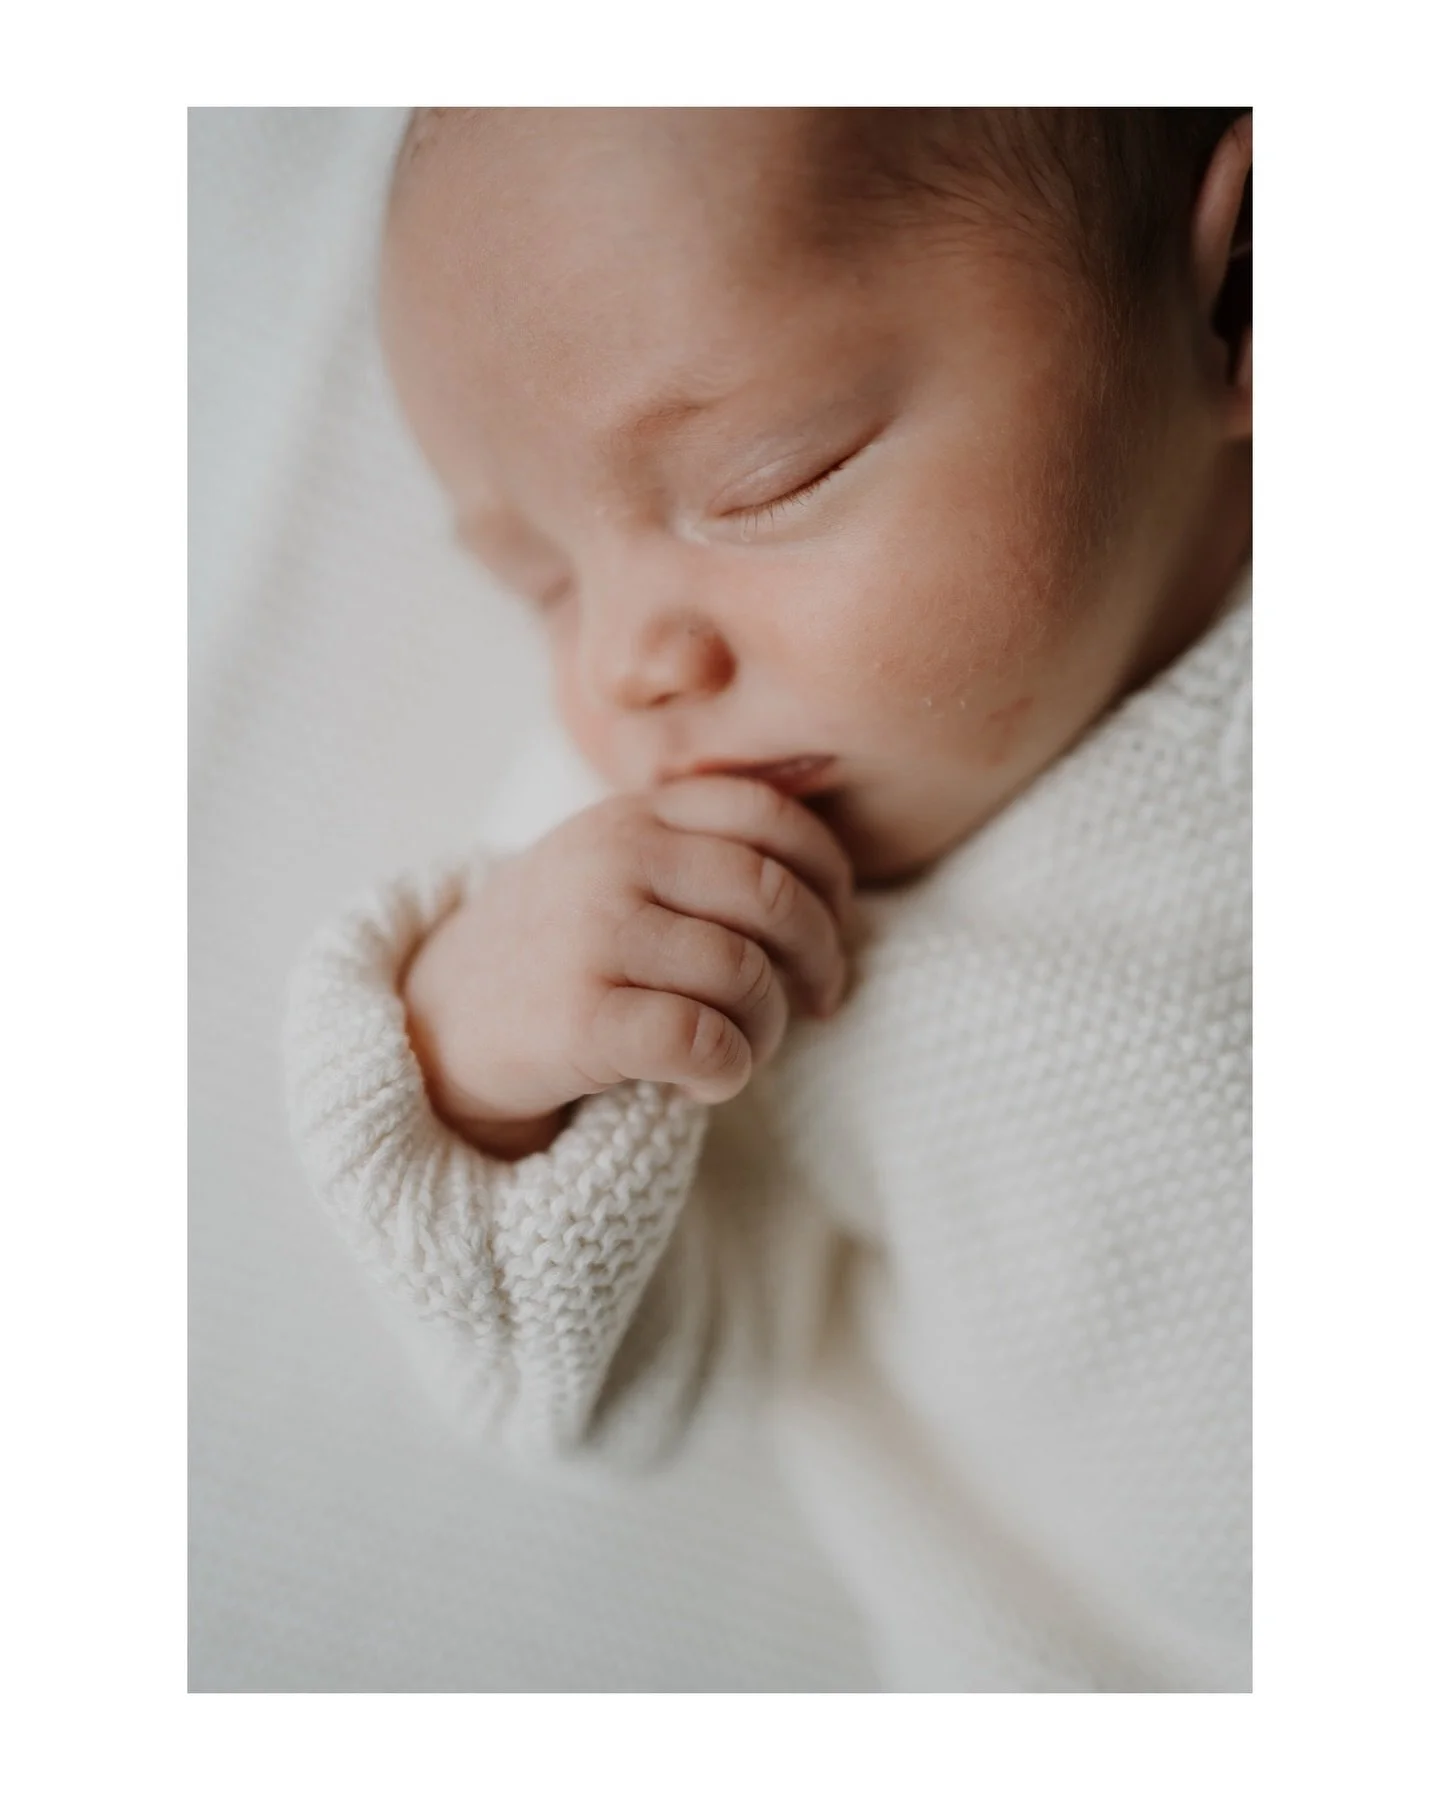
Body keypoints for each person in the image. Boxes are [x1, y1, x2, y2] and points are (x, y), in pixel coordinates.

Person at [284, 107, 1252, 1691]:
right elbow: (630, 1381)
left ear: (1243, 294)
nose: (624, 664)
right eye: (544, 584)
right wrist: (481, 1087)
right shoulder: (687, 908)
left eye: (763, 480)